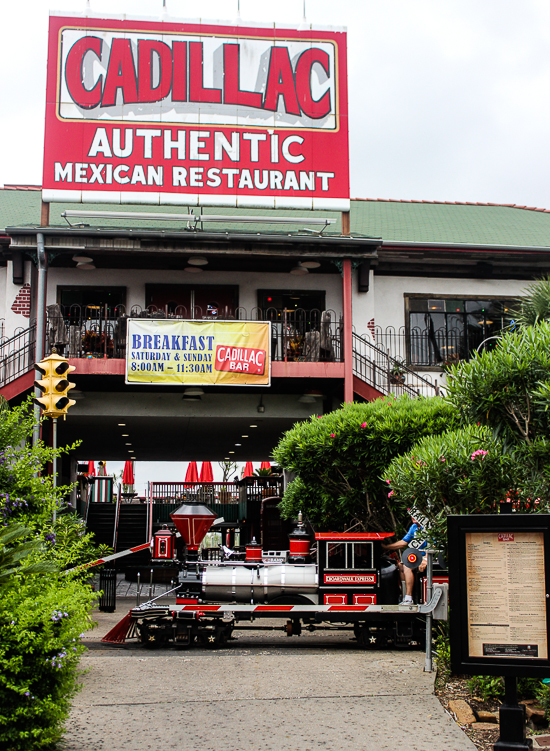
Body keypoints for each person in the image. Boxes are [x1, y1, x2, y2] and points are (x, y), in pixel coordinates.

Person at [381, 515, 427, 604]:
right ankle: (405, 595)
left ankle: (409, 598)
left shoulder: (429, 527)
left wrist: (426, 559)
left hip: (426, 558)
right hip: (416, 558)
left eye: (416, 515)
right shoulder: (414, 527)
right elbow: (403, 542)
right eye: (412, 515)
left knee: (407, 566)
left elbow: (434, 545)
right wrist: (386, 547)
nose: (413, 517)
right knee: (400, 566)